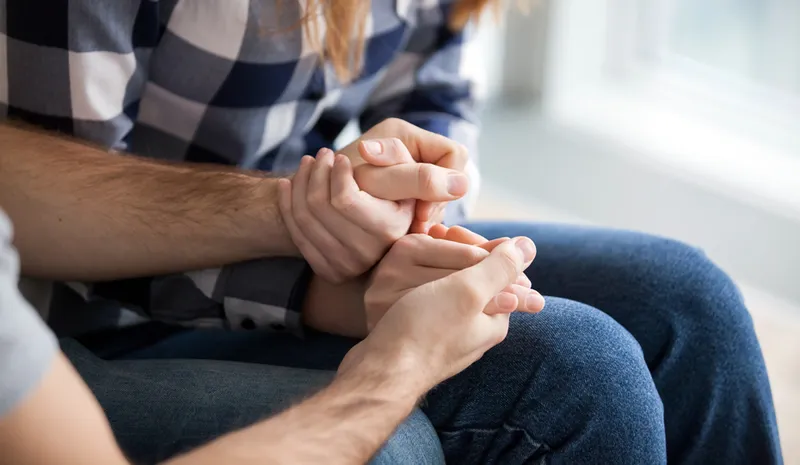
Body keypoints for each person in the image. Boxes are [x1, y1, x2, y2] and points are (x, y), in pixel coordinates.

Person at [0, 1, 782, 464]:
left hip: (293, 253)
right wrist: (320, 277)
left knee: (686, 301)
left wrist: (414, 220)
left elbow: (436, 96)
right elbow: (47, 224)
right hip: (87, 322)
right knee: (575, 367)